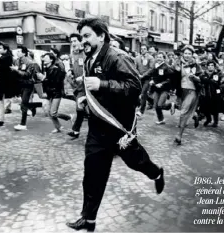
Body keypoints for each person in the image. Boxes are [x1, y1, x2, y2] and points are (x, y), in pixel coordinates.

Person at [66, 18, 164, 232]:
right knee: (92, 174)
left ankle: (156, 173)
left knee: (136, 162)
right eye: (81, 37)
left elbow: (135, 86)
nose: (83, 41)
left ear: (101, 36)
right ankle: (88, 219)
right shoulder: (90, 57)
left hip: (119, 128)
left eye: (87, 36)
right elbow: (89, 86)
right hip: (97, 129)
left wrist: (102, 84)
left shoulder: (117, 56)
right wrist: (84, 97)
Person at [173, 45, 203, 145]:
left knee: (183, 113)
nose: (187, 55)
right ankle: (195, 115)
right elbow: (174, 77)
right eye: (185, 53)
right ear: (182, 54)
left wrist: (194, 77)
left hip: (192, 91)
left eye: (189, 53)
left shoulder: (196, 65)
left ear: (192, 55)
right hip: (181, 92)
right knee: (184, 112)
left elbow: (202, 79)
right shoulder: (178, 64)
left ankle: (179, 135)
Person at [60, 33, 87, 139]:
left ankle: (77, 130)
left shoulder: (86, 52)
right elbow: (73, 67)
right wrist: (70, 71)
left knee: (81, 108)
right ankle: (76, 130)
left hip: (88, 85)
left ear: (81, 41)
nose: (73, 43)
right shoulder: (72, 54)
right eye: (71, 41)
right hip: (78, 86)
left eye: (75, 41)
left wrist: (84, 77)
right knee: (80, 109)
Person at [11, 47, 42, 131]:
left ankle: (23, 124)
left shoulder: (30, 62)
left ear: (24, 53)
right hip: (20, 85)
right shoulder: (17, 61)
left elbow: (27, 75)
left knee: (24, 104)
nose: (17, 52)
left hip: (28, 85)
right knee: (23, 102)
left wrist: (17, 70)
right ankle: (33, 107)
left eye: (19, 51)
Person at [37, 53, 66, 133]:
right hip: (50, 93)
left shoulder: (55, 69)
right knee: (48, 111)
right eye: (44, 57)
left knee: (53, 113)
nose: (44, 59)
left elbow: (54, 82)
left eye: (46, 57)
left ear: (51, 59)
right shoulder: (47, 68)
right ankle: (58, 127)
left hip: (56, 93)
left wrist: (43, 78)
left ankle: (68, 117)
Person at [143, 51, 173, 124]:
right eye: (158, 57)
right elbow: (153, 76)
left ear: (164, 58)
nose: (159, 58)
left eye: (160, 57)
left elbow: (169, 79)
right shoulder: (155, 66)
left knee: (160, 105)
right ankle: (161, 120)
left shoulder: (167, 67)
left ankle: (171, 105)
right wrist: (152, 81)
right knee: (156, 106)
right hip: (156, 89)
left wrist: (161, 84)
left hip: (164, 89)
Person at [200, 60, 223, 127]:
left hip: (215, 94)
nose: (210, 67)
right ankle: (208, 119)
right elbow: (201, 81)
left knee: (215, 109)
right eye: (209, 65)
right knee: (206, 108)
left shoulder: (217, 74)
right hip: (206, 93)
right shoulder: (203, 74)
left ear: (214, 66)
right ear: (207, 66)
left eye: (212, 65)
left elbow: (220, 83)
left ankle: (216, 122)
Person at [135, 44, 155, 117]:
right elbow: (135, 67)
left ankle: (141, 111)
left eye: (144, 49)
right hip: (139, 78)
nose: (142, 50)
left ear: (147, 50)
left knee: (143, 93)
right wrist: (138, 75)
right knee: (140, 93)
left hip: (147, 78)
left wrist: (143, 75)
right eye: (141, 49)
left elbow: (151, 69)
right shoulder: (137, 58)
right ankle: (152, 101)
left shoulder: (151, 58)